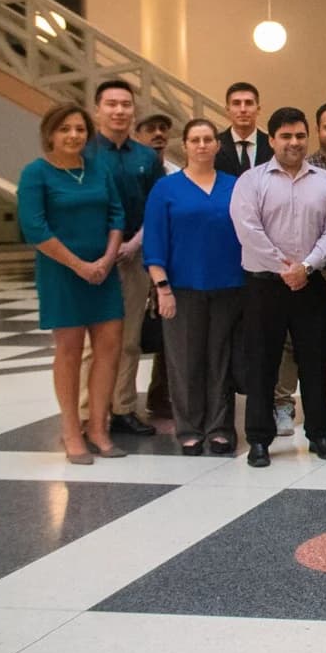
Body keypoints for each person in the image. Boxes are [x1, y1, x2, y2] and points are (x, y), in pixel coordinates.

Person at [229, 107, 326, 468]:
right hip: (265, 286)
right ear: (272, 140)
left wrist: (307, 266)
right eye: (285, 136)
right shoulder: (251, 181)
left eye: (299, 136)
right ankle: (260, 439)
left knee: (315, 360)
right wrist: (285, 267)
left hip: (310, 284)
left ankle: (319, 434)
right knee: (261, 362)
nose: (293, 143)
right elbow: (248, 229)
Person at [18, 104, 126, 464]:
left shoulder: (98, 169)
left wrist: (107, 259)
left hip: (103, 271)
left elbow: (117, 214)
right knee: (69, 351)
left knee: (109, 348)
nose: (74, 135)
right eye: (65, 129)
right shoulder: (37, 173)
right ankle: (70, 430)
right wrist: (79, 265)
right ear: (50, 133)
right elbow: (35, 228)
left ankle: (98, 427)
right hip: (61, 273)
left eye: (80, 129)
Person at [142, 119, 245, 456]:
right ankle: (189, 428)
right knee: (184, 361)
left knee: (221, 360)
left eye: (208, 139)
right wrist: (162, 287)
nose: (202, 145)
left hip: (229, 286)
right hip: (182, 289)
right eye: (194, 140)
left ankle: (219, 428)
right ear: (184, 146)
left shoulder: (235, 186)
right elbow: (155, 241)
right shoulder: (166, 190)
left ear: (218, 145)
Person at [84, 79, 164, 437]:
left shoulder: (147, 157)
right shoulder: (84, 152)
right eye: (111, 104)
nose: (119, 111)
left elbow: (157, 208)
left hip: (133, 254)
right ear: (97, 108)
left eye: (126, 105)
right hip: (92, 257)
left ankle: (124, 408)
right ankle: (91, 413)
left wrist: (135, 244)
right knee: (95, 340)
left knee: (130, 337)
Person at [277, 101, 326, 429]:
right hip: (304, 270)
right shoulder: (303, 167)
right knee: (291, 340)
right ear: (317, 130)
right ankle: (282, 402)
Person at [133, 110, 177, 417]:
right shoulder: (130, 170)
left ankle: (160, 396)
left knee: (167, 334)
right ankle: (116, 403)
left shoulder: (175, 174)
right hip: (130, 257)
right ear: (138, 134)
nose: (158, 133)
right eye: (151, 128)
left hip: (167, 262)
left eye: (163, 128)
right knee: (127, 336)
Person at [213, 81, 270, 175]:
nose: (243, 109)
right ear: (227, 110)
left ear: (258, 109)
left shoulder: (272, 145)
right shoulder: (214, 146)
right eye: (236, 103)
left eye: (248, 103)